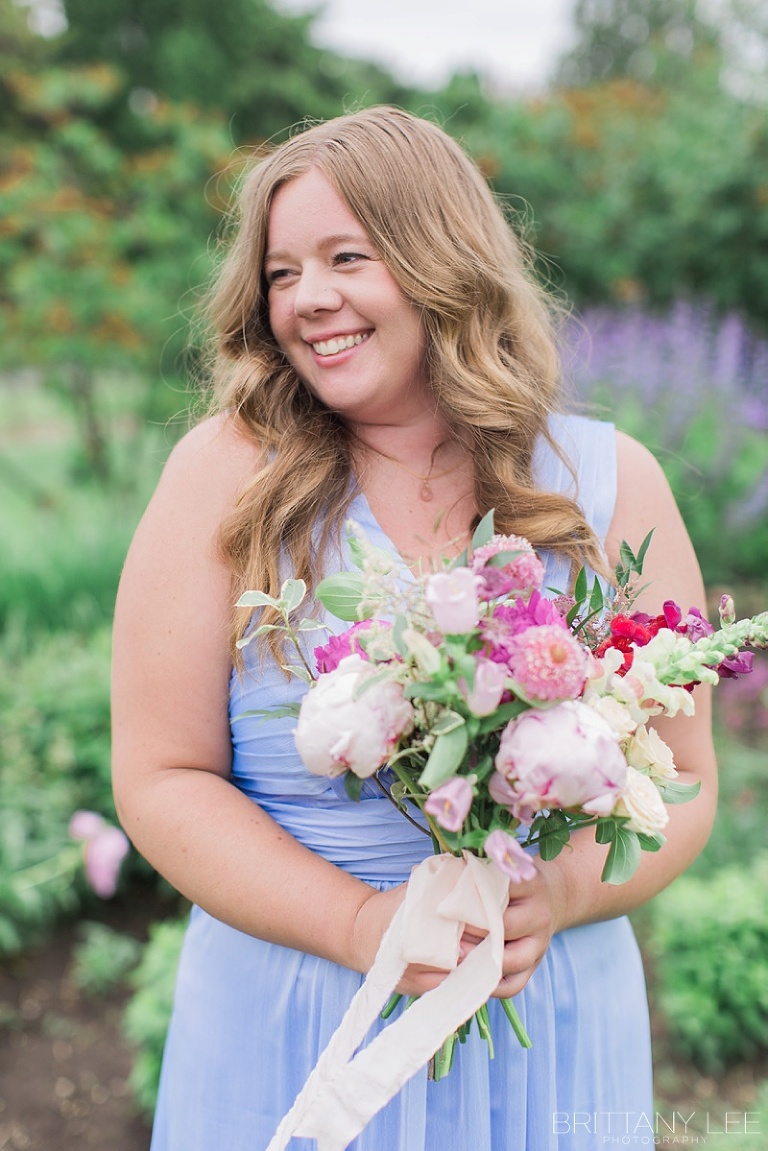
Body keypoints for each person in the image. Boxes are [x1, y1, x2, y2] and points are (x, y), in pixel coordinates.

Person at [111, 106, 717, 1150]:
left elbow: (686, 776)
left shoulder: (608, 484)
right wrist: (358, 923)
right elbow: (160, 776)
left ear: (441, 258)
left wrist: (558, 898)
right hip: (296, 1019)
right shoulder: (222, 477)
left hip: (549, 1021)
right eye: (282, 272)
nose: (309, 299)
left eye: (347, 256)